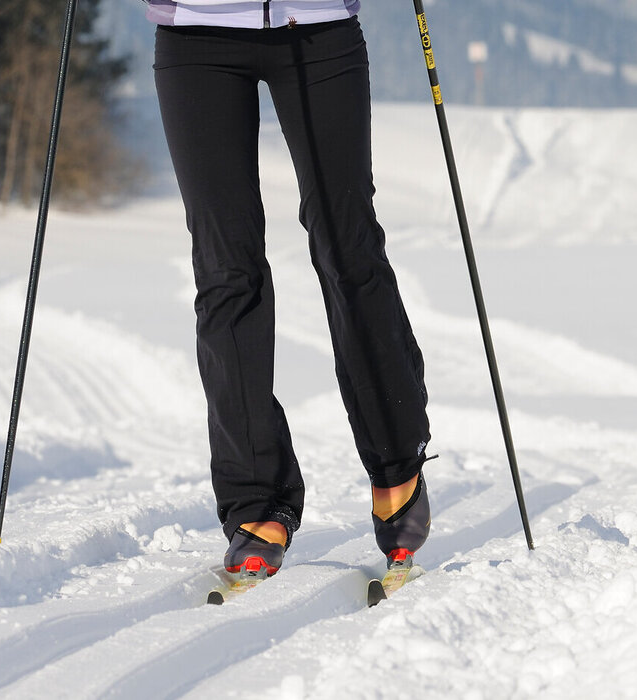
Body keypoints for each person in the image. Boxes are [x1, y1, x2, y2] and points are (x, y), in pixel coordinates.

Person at [150, 0, 434, 580]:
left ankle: (395, 458)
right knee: (226, 266)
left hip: (319, 25)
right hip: (197, 34)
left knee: (348, 249)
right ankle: (257, 498)